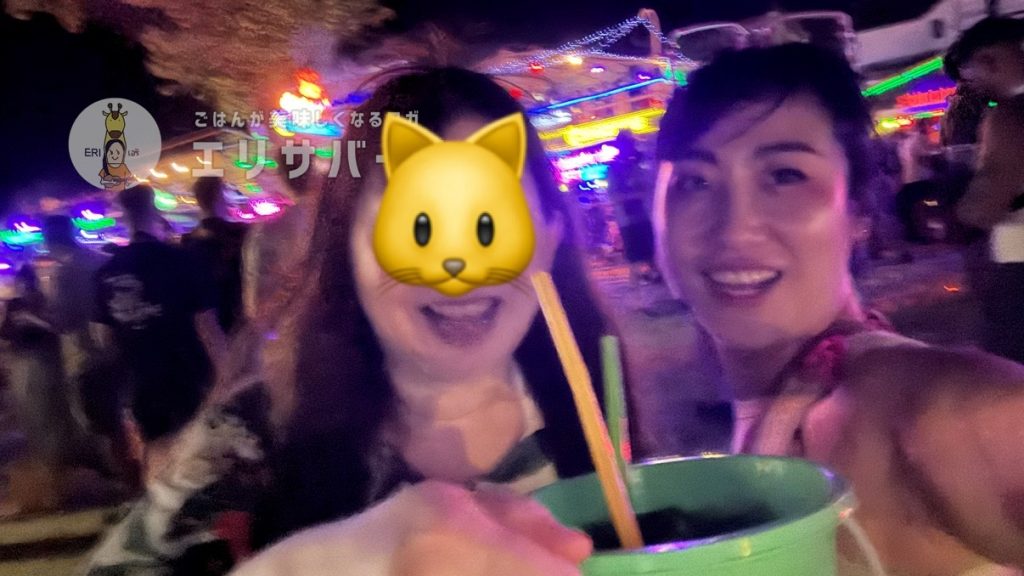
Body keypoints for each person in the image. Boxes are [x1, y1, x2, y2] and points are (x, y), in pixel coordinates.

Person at [83, 68, 616, 576]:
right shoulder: (252, 436)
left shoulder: (595, 404)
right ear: (347, 249)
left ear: (550, 235)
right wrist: (305, 564)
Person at [653, 44, 1024, 575]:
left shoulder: (929, 414)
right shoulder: (758, 407)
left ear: (857, 213)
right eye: (694, 181)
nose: (734, 227)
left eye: (785, 175)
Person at [92, 184, 228, 463]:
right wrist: (228, 377)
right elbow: (208, 328)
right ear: (155, 211)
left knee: (154, 454)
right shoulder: (183, 260)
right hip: (188, 379)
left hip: (140, 384)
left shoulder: (106, 273)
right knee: (198, 457)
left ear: (123, 217)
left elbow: (104, 339)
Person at [945, 17, 1024, 364]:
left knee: (1008, 367)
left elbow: (990, 199)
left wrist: (959, 214)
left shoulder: (1010, 116)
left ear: (990, 60)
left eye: (973, 78)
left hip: (1019, 258)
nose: (975, 89)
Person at [242, 149, 321, 323]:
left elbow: (255, 302)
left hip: (284, 326)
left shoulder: (267, 230)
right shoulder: (337, 225)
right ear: (313, 173)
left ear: (282, 176)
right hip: (329, 325)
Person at [182, 176, 248, 333]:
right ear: (219, 196)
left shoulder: (188, 242)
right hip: (238, 317)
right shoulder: (239, 234)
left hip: (206, 322)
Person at [607, 130, 659, 285]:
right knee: (637, 258)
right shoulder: (616, 169)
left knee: (649, 255)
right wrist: (637, 194)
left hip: (641, 217)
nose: (632, 146)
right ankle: (638, 287)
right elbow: (614, 196)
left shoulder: (637, 163)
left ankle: (645, 283)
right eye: (629, 143)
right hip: (630, 219)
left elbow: (650, 186)